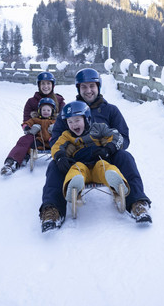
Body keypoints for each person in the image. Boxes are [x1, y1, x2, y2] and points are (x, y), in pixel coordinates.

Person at [40, 68, 151, 231]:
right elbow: (57, 138)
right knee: (53, 166)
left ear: (98, 86)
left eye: (92, 86)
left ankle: (136, 203)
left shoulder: (111, 110)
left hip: (104, 157)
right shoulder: (70, 112)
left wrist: (109, 149)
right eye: (84, 87)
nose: (88, 90)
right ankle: (53, 209)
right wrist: (61, 156)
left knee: (126, 157)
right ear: (78, 89)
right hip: (76, 160)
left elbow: (123, 137)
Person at [40, 101, 129, 231]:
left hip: (98, 162)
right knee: (76, 170)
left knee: (105, 167)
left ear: (86, 118)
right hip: (81, 166)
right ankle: (74, 184)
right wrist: (60, 157)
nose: (74, 124)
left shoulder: (98, 128)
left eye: (77, 120)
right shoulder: (67, 135)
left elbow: (115, 136)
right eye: (70, 122)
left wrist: (108, 149)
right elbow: (56, 146)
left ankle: (116, 182)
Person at [1, 72, 65, 176]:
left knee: (64, 141)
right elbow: (26, 120)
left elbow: (65, 119)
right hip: (37, 135)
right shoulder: (31, 102)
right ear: (39, 85)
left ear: (53, 85)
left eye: (48, 83)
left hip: (53, 134)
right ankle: (12, 162)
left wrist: (56, 128)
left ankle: (65, 161)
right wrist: (30, 128)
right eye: (43, 84)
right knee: (24, 140)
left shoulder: (59, 100)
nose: (45, 86)